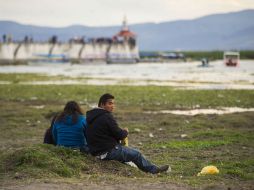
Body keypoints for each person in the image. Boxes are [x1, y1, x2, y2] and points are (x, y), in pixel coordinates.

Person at [85, 93, 169, 174]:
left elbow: (104, 133)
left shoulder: (91, 116)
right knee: (136, 154)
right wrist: (125, 131)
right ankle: (154, 170)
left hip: (95, 151)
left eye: (113, 104)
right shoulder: (106, 116)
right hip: (106, 152)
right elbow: (120, 135)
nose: (112, 106)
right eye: (110, 103)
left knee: (129, 152)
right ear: (102, 105)